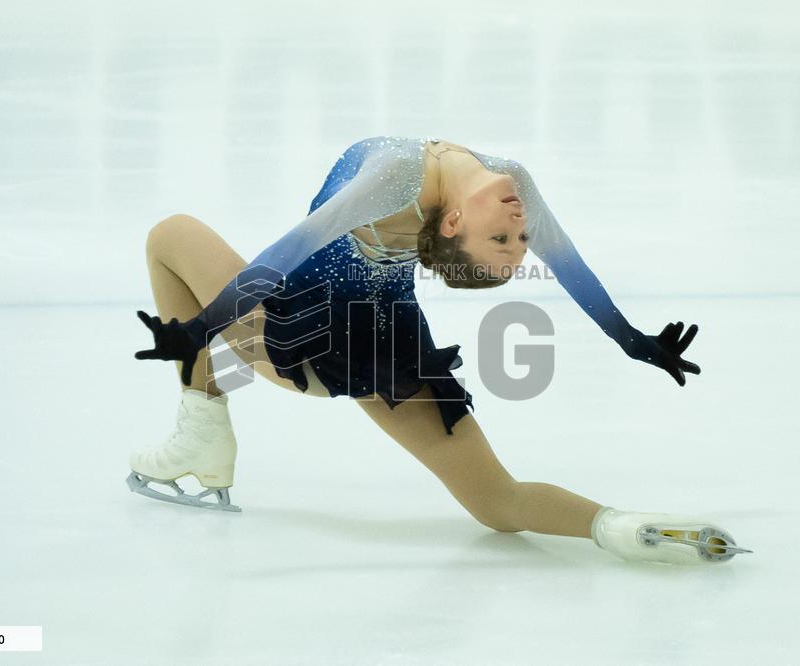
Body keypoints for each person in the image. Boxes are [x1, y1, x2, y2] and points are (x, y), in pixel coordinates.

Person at [129, 136, 752, 565]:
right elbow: (568, 265)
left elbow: (279, 259)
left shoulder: (397, 180)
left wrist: (201, 327)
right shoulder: (508, 180)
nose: (517, 219)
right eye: (514, 235)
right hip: (384, 349)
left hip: (306, 341)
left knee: (170, 235)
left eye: (505, 235)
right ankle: (624, 530)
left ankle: (202, 432)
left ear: (451, 225)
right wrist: (631, 339)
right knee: (497, 503)